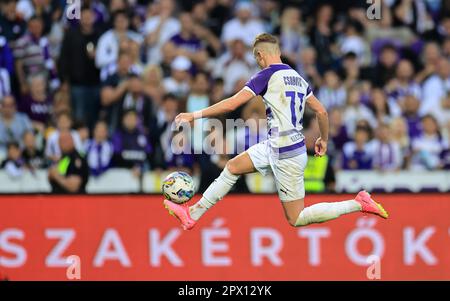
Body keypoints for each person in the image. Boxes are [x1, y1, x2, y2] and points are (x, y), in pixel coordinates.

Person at [164, 33, 388, 230]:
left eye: (256, 59)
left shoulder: (266, 75)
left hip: (285, 153)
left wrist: (193, 115)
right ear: (278, 52)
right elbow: (322, 112)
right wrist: (324, 139)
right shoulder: (299, 79)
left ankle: (358, 203)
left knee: (296, 218)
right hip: (282, 146)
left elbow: (232, 104)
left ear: (260, 56)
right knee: (232, 167)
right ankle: (192, 214)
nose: (258, 63)